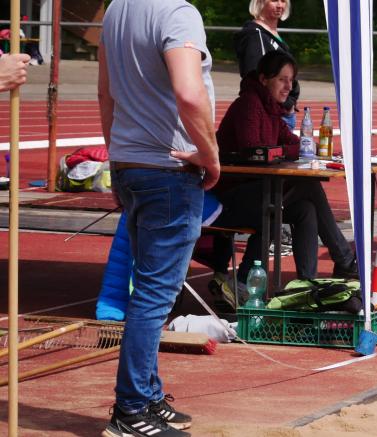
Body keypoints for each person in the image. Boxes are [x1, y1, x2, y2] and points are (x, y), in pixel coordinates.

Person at [97, 0, 220, 435]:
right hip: (170, 168)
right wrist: (211, 154)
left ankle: (145, 395)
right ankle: (131, 408)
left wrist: (117, 158)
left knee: (148, 290)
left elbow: (104, 90)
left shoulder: (115, 10)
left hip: (132, 163)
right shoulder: (177, 13)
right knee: (154, 295)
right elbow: (189, 92)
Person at [212, 51, 358, 285]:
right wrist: (285, 150)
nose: (288, 86)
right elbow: (254, 151)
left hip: (257, 192)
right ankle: (344, 260)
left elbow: (296, 144)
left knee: (305, 210)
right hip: (229, 198)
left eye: (291, 80)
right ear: (263, 79)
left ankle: (305, 284)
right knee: (308, 185)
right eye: (282, 79)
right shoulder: (249, 105)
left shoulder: (270, 109)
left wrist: (288, 149)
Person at [235, 0, 301, 128]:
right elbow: (254, 79)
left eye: (283, 1)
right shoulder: (255, 35)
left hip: (281, 113)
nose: (280, 5)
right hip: (270, 116)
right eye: (274, 0)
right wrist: (284, 105)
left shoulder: (271, 34)